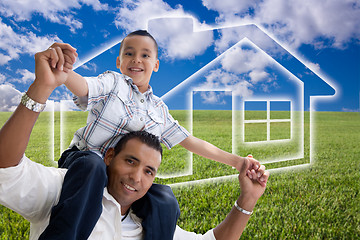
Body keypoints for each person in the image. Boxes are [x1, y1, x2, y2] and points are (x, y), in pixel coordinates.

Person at [17, 30, 265, 239]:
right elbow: (84, 86)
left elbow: (191, 142)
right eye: (129, 53)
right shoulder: (113, 84)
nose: (136, 59)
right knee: (93, 165)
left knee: (164, 198)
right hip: (84, 163)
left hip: (123, 175)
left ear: (155, 64)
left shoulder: (158, 110)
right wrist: (63, 70)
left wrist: (238, 161)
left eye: (145, 55)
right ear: (119, 61)